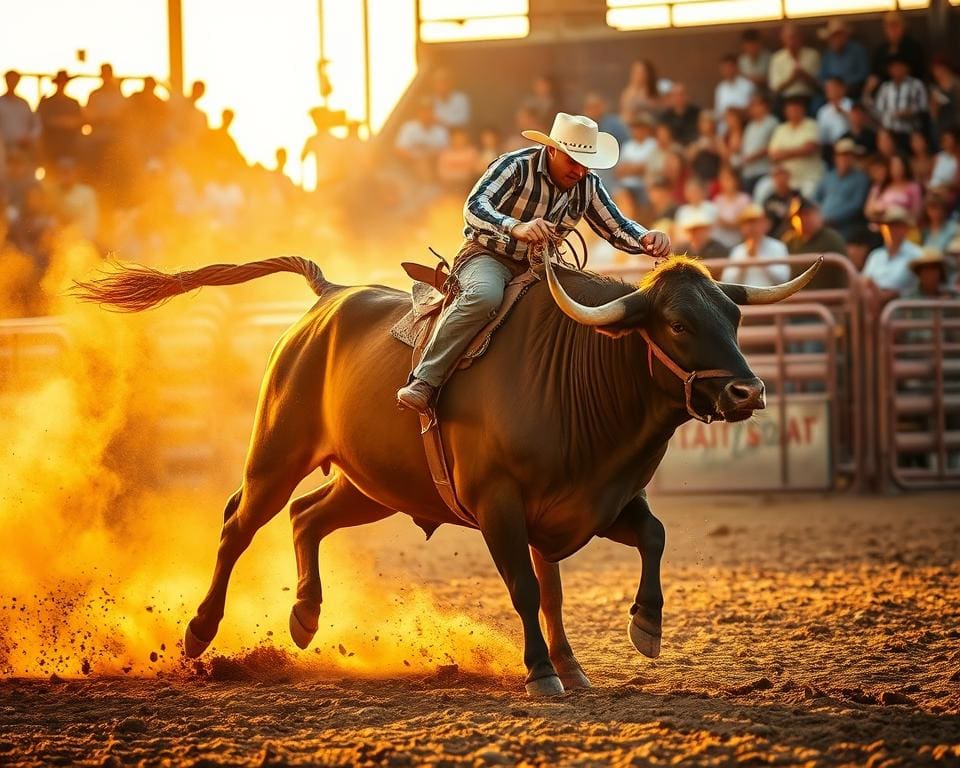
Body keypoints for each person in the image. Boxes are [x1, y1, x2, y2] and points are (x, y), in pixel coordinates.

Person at [395, 112, 671, 412]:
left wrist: (646, 238)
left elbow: (616, 227)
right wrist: (516, 227)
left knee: (579, 308)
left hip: (543, 267)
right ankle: (425, 379)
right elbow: (475, 207)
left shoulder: (588, 184)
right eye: (572, 162)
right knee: (484, 296)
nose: (579, 171)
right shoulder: (515, 166)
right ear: (552, 150)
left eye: (585, 164)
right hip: (488, 255)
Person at [861, 205, 922, 302]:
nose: (892, 230)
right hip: (872, 300)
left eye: (897, 226)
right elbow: (864, 282)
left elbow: (908, 288)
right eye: (889, 226)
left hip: (902, 305)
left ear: (906, 228)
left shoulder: (916, 255)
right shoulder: (875, 255)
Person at [782, 196, 847, 286]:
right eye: (799, 216)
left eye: (808, 214)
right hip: (795, 297)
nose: (804, 220)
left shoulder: (832, 240)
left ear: (819, 215)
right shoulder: (789, 241)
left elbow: (844, 277)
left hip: (826, 296)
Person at [813, 138, 870, 238]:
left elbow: (856, 205)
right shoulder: (829, 176)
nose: (845, 159)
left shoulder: (861, 179)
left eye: (849, 155)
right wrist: (817, 216)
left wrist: (833, 219)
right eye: (842, 155)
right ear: (836, 157)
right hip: (821, 223)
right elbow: (815, 198)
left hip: (845, 227)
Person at [870, 53, 928, 151]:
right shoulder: (885, 87)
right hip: (890, 132)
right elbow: (879, 110)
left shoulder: (916, 85)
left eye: (898, 66)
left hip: (911, 131)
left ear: (906, 68)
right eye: (892, 67)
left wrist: (910, 112)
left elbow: (924, 107)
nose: (895, 70)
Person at [721, 204, 790, 286]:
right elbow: (727, 281)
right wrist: (744, 263)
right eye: (747, 223)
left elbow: (784, 278)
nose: (752, 227)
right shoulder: (738, 250)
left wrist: (758, 259)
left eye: (757, 222)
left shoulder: (778, 246)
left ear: (766, 224)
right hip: (747, 297)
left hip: (772, 297)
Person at [768, 95, 824, 195]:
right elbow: (773, 155)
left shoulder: (811, 125)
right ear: (785, 111)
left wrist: (784, 153)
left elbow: (809, 149)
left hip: (808, 178)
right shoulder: (780, 129)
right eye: (790, 109)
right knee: (764, 190)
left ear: (803, 110)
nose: (793, 112)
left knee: (808, 195)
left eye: (796, 109)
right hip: (785, 180)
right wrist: (798, 151)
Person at [867, 11, 925, 93]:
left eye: (896, 25)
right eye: (889, 26)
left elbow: (919, 73)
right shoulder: (880, 50)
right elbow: (874, 75)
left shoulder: (914, 48)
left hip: (910, 90)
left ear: (904, 26)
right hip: (885, 92)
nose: (892, 29)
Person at [36, 70, 84, 165]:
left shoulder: (73, 102)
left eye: (64, 81)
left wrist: (63, 122)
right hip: (51, 144)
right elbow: (42, 121)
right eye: (60, 81)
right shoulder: (47, 102)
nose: (62, 84)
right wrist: (63, 122)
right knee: (51, 171)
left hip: (70, 145)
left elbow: (80, 121)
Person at [614, 113, 658, 213]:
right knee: (619, 194)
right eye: (635, 128)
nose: (637, 131)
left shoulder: (652, 144)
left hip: (645, 184)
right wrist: (635, 168)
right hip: (627, 184)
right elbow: (619, 171)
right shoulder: (627, 146)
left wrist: (630, 168)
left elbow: (646, 168)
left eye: (640, 128)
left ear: (646, 129)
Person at [768, 22, 821, 104]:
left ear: (800, 38)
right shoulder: (777, 58)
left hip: (808, 97)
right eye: (789, 37)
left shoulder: (813, 55)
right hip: (786, 98)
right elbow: (774, 88)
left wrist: (804, 76)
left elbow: (820, 85)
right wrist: (792, 79)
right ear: (783, 39)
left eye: (795, 37)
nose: (792, 41)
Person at [395, 99, 449, 179]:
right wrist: (416, 159)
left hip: (433, 167)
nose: (426, 114)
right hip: (409, 165)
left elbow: (446, 152)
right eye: (423, 111)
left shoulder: (441, 131)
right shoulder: (409, 127)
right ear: (418, 113)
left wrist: (427, 159)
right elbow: (399, 149)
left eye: (429, 111)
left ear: (433, 113)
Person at [817, 19, 870, 98]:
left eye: (840, 35)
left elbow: (863, 73)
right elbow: (822, 77)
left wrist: (845, 85)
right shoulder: (828, 55)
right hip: (831, 93)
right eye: (834, 36)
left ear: (846, 36)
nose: (837, 39)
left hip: (853, 91)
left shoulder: (858, 50)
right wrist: (831, 86)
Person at [739, 93, 779, 193]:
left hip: (764, 171)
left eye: (755, 105)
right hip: (748, 172)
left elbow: (773, 147)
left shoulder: (772, 122)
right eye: (751, 105)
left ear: (765, 106)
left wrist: (754, 156)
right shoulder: (750, 126)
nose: (752, 108)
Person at [865, 154, 922, 223]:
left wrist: (899, 213)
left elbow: (916, 214)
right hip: (881, 226)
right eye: (894, 166)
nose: (897, 169)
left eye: (899, 166)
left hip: (903, 226)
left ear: (905, 167)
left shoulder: (913, 187)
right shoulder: (880, 187)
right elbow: (868, 211)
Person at [52, 156, 98, 241]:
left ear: (75, 172)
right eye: (62, 172)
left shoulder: (86, 193)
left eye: (68, 172)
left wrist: (85, 240)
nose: (65, 176)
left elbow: (91, 222)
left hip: (81, 240)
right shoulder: (52, 192)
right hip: (57, 240)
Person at [0, 70, 40, 154]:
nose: (12, 83)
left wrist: (29, 137)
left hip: (23, 149)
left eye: (14, 80)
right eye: (10, 80)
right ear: (5, 80)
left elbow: (36, 124)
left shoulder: (24, 104)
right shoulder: (1, 103)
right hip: (3, 150)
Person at [712, 165, 752, 248]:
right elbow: (716, 222)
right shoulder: (718, 200)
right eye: (723, 179)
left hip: (738, 243)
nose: (725, 183)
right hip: (719, 244)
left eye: (728, 179)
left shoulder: (744, 199)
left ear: (736, 180)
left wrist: (728, 224)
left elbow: (745, 223)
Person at [816, 78, 852, 159]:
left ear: (842, 88)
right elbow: (822, 137)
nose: (829, 90)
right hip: (832, 148)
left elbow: (858, 125)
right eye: (827, 88)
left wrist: (844, 113)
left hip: (851, 145)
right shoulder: (823, 111)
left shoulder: (851, 105)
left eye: (832, 87)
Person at [714, 54, 754, 125]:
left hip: (743, 124)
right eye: (724, 68)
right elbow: (718, 112)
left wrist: (736, 111)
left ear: (736, 67)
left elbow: (752, 110)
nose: (726, 71)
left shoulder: (748, 85)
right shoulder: (720, 88)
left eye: (729, 67)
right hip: (724, 125)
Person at [436, 127, 480, 192]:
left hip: (467, 183)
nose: (458, 140)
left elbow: (475, 169)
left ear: (465, 138)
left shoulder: (472, 152)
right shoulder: (445, 153)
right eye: (456, 138)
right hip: (449, 183)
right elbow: (441, 171)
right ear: (451, 139)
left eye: (461, 138)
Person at [760, 163, 798, 237]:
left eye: (783, 175)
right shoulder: (769, 200)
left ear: (788, 177)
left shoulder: (796, 196)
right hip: (774, 236)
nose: (780, 179)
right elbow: (766, 222)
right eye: (777, 176)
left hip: (794, 235)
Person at [930, 56, 960, 135]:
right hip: (942, 128)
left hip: (956, 127)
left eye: (937, 69)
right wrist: (935, 105)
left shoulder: (957, 85)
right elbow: (933, 115)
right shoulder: (935, 89)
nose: (935, 72)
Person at [930, 126, 960, 193]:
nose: (947, 142)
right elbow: (932, 177)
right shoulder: (937, 157)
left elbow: (957, 184)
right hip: (933, 189)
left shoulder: (958, 158)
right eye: (945, 139)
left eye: (949, 139)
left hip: (948, 191)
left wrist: (943, 186)